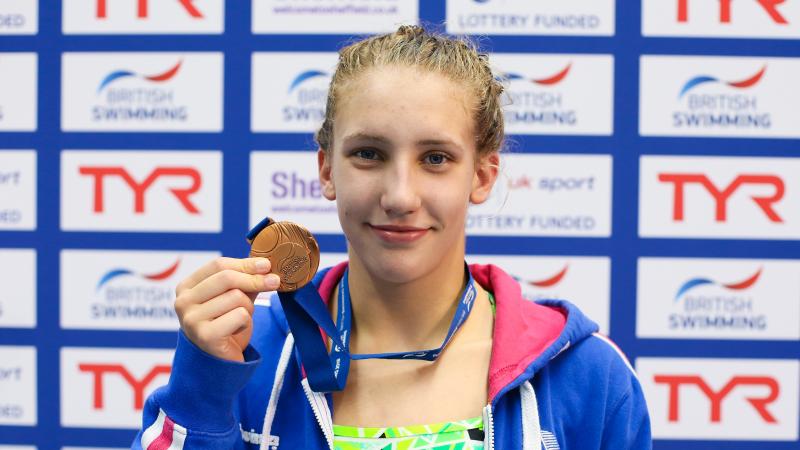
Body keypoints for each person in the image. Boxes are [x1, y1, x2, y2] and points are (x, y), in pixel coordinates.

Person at [133, 25, 651, 449]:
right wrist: (202, 389)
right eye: (369, 154)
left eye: (435, 159)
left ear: (483, 175)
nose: (401, 196)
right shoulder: (246, 358)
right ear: (327, 169)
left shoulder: (587, 375)